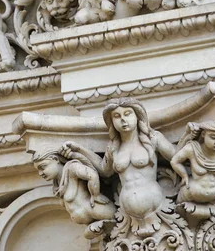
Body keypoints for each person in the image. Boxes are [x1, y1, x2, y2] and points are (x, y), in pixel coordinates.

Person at [61, 98, 175, 237]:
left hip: (157, 207)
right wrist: (79, 151)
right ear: (112, 122)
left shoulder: (153, 138)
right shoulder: (114, 148)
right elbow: (104, 170)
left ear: (138, 116)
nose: (123, 120)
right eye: (117, 116)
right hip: (127, 214)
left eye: (127, 114)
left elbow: (176, 157)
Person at [33, 149, 115, 236]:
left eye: (43, 167)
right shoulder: (57, 184)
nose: (40, 173)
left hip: (100, 211)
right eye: (38, 170)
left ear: (56, 159)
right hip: (92, 221)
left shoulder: (71, 168)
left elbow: (92, 175)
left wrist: (96, 195)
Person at [170, 121, 215, 211]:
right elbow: (175, 161)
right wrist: (184, 176)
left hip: (214, 198)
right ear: (204, 134)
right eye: (213, 137)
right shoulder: (192, 148)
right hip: (189, 195)